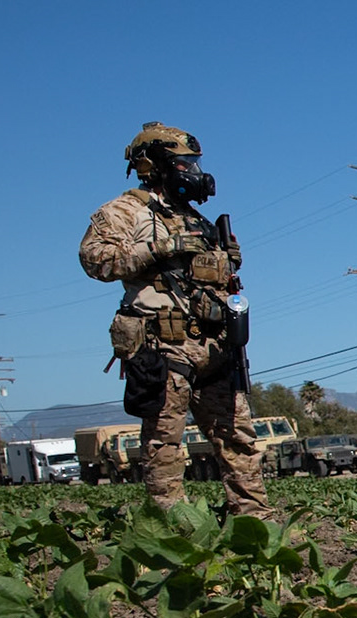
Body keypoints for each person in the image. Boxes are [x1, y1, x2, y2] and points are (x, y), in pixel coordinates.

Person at [80, 123, 275, 519]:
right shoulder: (125, 211)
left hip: (214, 347)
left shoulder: (197, 220)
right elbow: (95, 260)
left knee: (237, 437)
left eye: (194, 163)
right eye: (184, 163)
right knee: (165, 443)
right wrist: (159, 247)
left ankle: (253, 518)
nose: (192, 171)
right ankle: (171, 522)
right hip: (163, 345)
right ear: (154, 164)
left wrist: (225, 261)